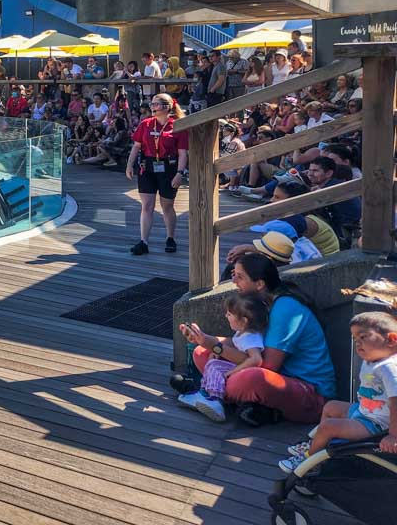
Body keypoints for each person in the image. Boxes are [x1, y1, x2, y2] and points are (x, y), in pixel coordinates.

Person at [182, 253, 336, 425]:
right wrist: (204, 339)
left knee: (253, 379)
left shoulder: (285, 307)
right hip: (275, 374)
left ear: (259, 284)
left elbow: (266, 365)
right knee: (201, 352)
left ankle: (209, 391)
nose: (234, 281)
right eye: (234, 275)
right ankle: (224, 396)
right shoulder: (261, 300)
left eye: (239, 277)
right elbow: (244, 344)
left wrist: (217, 347)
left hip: (310, 392)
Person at [278, 311, 397, 472]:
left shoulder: (390, 369)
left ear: (391, 339)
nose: (358, 343)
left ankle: (309, 461)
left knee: (328, 427)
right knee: (331, 406)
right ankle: (316, 444)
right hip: (365, 411)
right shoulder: (373, 359)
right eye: (355, 339)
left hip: (377, 425)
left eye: (363, 337)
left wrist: (393, 435)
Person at [178, 292, 269, 422]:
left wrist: (233, 371)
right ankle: (203, 394)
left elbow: (256, 359)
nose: (226, 315)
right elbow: (235, 342)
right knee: (212, 363)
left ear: (244, 320)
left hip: (244, 371)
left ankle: (215, 401)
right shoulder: (243, 332)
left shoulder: (251, 337)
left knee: (215, 366)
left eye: (230, 314)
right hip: (240, 367)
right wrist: (218, 348)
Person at [125, 93, 188, 255]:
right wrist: (129, 165)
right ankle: (143, 242)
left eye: (156, 104)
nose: (152, 107)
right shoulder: (145, 124)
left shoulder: (178, 126)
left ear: (167, 107)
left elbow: (182, 153)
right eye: (152, 104)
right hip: (148, 167)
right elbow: (136, 146)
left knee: (167, 206)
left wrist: (180, 173)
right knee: (147, 206)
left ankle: (170, 238)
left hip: (169, 168)